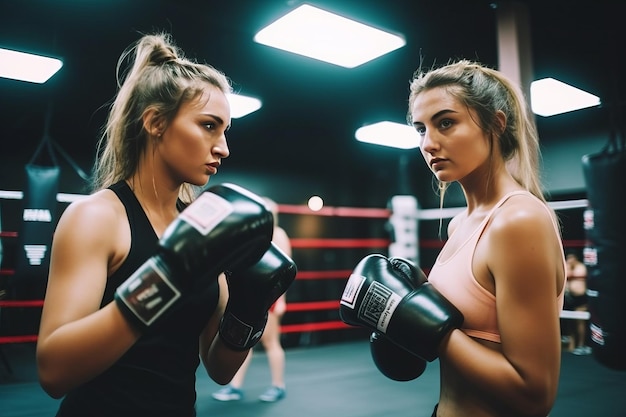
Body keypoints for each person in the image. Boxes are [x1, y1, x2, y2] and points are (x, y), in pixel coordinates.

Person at [35, 32, 296, 417]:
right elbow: (54, 372)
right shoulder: (97, 218)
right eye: (209, 126)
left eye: (225, 130)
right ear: (156, 122)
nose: (223, 146)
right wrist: (166, 276)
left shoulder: (203, 228)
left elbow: (219, 368)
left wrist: (250, 307)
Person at [340, 59, 566, 417]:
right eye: (420, 129)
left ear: (496, 123)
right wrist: (416, 310)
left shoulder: (518, 220)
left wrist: (421, 320)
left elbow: (534, 395)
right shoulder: (459, 224)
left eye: (446, 123)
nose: (429, 143)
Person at [212, 197, 291, 402]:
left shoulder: (279, 234)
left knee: (271, 342)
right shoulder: (256, 235)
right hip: (252, 292)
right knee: (243, 342)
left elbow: (285, 269)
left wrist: (281, 300)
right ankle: (235, 386)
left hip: (270, 295)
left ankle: (278, 385)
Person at [563, 251, 591, 355]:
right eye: (568, 258)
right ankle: (572, 344)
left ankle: (582, 344)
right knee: (570, 321)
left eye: (571, 258)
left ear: (576, 258)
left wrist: (569, 268)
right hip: (570, 298)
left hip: (581, 298)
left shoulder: (581, 267)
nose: (569, 260)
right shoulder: (567, 266)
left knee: (580, 322)